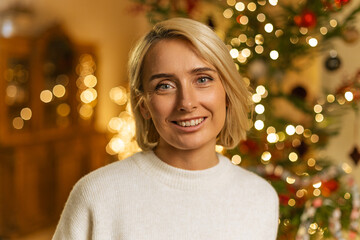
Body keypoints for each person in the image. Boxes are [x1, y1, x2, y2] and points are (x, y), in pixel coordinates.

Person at [52, 17, 279, 240]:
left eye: (202, 79)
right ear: (144, 107)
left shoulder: (260, 198)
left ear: (227, 93)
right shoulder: (97, 195)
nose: (186, 103)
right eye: (165, 86)